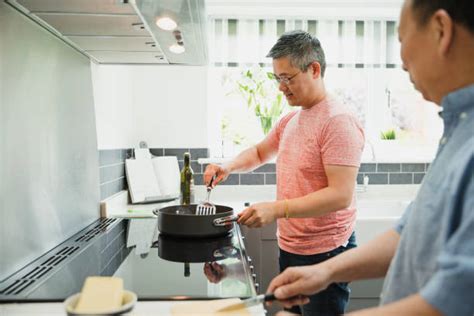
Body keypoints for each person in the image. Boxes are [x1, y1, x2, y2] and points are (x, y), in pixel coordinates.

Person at [267, 0, 474, 315]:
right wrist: (324, 272)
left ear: (441, 30)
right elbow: (406, 233)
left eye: (402, 41)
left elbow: (455, 300)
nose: (402, 63)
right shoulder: (458, 129)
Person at [204, 30, 365, 315]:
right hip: (292, 247)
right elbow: (258, 153)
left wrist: (277, 209)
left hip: (326, 254)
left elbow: (341, 195)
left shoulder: (338, 121)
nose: (281, 87)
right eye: (277, 78)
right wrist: (226, 166)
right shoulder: (293, 118)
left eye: (287, 78)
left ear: (314, 69)